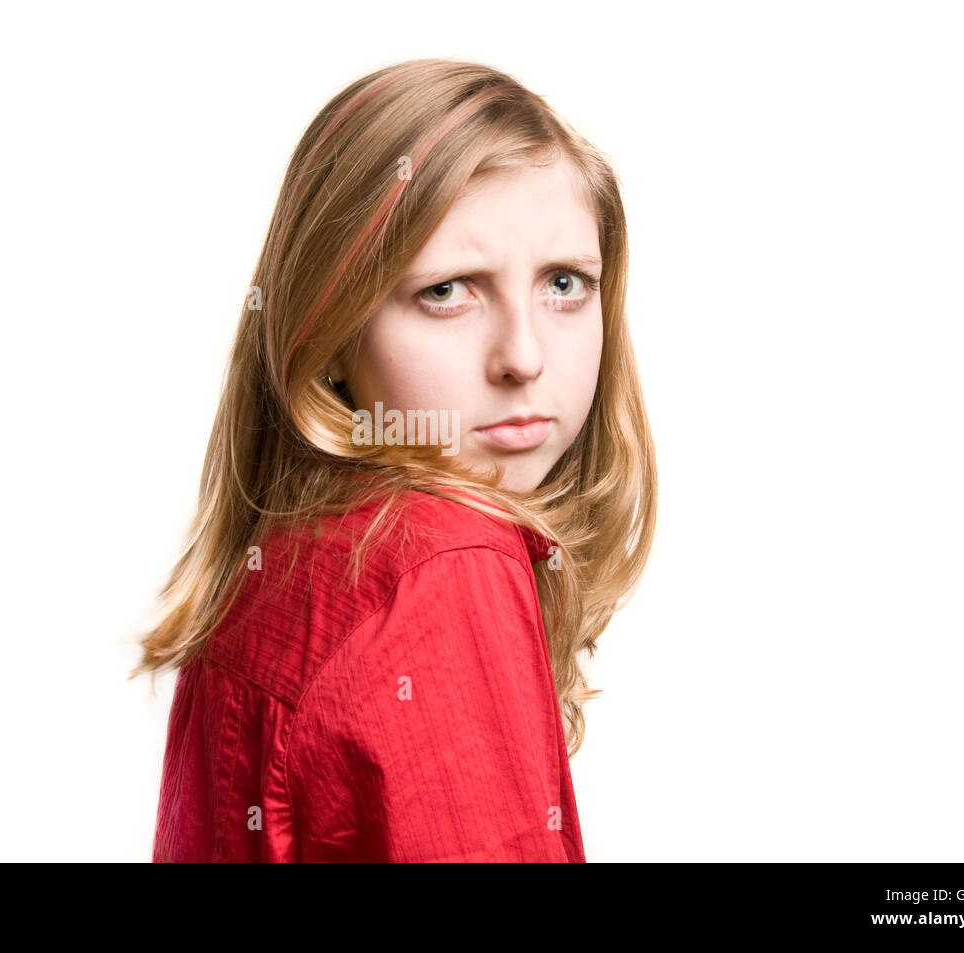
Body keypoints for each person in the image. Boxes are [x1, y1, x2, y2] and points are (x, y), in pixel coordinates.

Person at [128, 58, 657, 862]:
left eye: (564, 283)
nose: (523, 355)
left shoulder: (282, 562)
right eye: (446, 291)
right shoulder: (444, 564)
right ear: (331, 329)